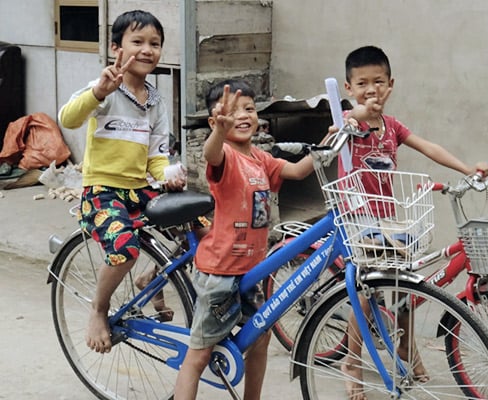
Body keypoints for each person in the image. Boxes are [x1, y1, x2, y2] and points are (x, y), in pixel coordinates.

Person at [339, 45, 488, 400]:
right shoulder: (350, 121)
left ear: (391, 84)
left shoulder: (392, 126)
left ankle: (407, 349)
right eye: (362, 83)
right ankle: (352, 360)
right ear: (349, 88)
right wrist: (358, 113)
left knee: (407, 283)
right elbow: (338, 130)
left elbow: (428, 147)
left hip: (387, 216)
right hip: (356, 216)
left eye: (378, 82)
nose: (371, 89)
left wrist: (467, 168)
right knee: (367, 292)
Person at [173, 79, 331, 400]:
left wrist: (330, 141)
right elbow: (211, 153)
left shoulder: (261, 158)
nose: (243, 116)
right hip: (220, 273)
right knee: (200, 354)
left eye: (249, 109)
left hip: (250, 270)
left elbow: (299, 170)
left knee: (261, 338)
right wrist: (219, 131)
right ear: (216, 120)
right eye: (233, 112)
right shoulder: (227, 157)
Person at [58, 10, 186, 354]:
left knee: (201, 225)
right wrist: (98, 91)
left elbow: (157, 158)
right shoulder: (104, 90)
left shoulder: (156, 102)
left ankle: (153, 279)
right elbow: (68, 118)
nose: (147, 50)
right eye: (138, 42)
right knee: (125, 248)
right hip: (102, 191)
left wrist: (169, 176)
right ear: (116, 47)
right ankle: (99, 310)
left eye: (155, 44)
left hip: (140, 188)